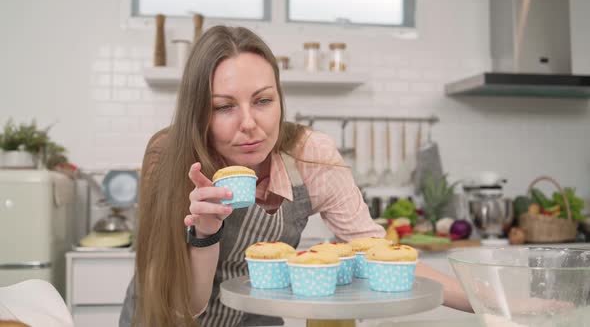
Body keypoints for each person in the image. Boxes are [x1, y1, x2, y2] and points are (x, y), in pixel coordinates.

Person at [119, 25, 472, 327]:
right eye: (224, 107)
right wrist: (206, 233)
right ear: (199, 113)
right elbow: (186, 305)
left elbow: (379, 252)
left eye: (262, 101)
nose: (249, 123)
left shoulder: (310, 155)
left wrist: (491, 302)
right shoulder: (167, 157)